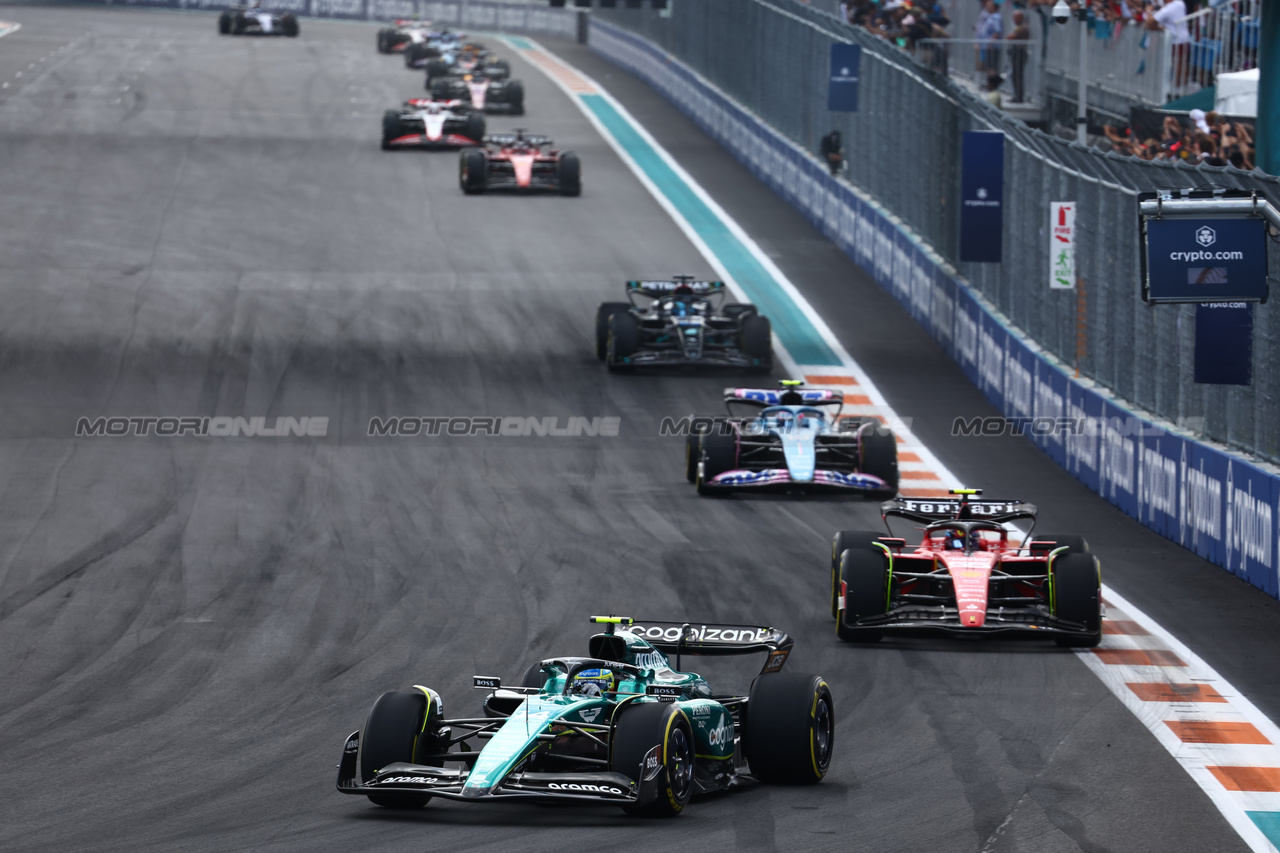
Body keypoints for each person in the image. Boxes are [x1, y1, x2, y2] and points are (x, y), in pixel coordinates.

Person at [1006, 11, 1030, 103]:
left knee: (1017, 76)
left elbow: (1011, 37)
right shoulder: (1019, 27)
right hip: (1015, 53)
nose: (1014, 20)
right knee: (1015, 75)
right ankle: (1016, 95)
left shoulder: (1023, 28)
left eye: (1015, 18)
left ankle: (1019, 97)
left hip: (1019, 53)